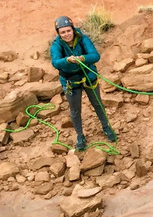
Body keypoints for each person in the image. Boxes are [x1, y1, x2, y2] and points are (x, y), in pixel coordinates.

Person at [49, 16, 117, 152]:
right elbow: (55, 62)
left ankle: (106, 127)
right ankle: (80, 136)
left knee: (97, 103)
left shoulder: (82, 39)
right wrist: (67, 60)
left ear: (73, 30)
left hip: (88, 77)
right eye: (63, 32)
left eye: (68, 31)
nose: (66, 34)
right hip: (70, 81)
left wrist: (82, 58)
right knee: (75, 110)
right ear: (58, 34)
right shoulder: (56, 45)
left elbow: (95, 55)